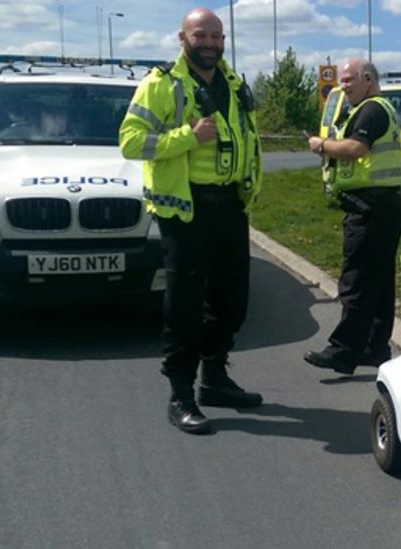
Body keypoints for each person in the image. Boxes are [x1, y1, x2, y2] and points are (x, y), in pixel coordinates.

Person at [119, 8, 263, 434]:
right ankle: (180, 393)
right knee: (184, 305)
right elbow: (130, 142)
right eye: (201, 36)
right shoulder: (161, 84)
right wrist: (188, 137)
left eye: (217, 37)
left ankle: (214, 378)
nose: (211, 44)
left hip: (230, 205)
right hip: (186, 209)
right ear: (182, 39)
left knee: (232, 301)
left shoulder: (233, 83)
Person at [304, 59, 401, 375]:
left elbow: (355, 148)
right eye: (342, 80)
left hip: (370, 206)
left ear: (368, 79)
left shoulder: (372, 110)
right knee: (379, 281)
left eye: (349, 80)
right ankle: (375, 347)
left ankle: (343, 351)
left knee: (357, 281)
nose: (343, 86)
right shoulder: (379, 108)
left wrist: (321, 145)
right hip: (384, 204)